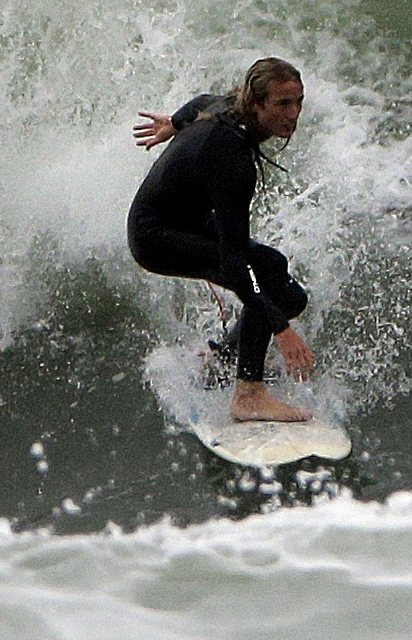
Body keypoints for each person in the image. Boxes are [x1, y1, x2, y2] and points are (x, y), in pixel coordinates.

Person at [126, 57, 316, 424]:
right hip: (156, 237)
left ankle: (222, 361)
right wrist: (282, 329)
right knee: (263, 276)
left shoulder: (230, 105)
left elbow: (199, 102)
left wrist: (174, 123)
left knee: (288, 292)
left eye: (298, 101)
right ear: (257, 103)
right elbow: (234, 261)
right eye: (282, 104)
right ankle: (249, 395)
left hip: (185, 222)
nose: (293, 114)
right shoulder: (232, 160)